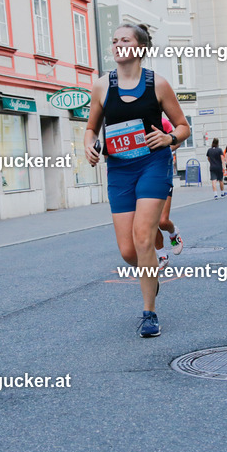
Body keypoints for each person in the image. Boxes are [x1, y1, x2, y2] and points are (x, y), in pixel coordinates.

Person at [84, 22, 189, 337]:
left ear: (140, 48)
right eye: (114, 40)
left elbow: (183, 126)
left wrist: (169, 139)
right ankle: (153, 263)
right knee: (129, 251)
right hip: (119, 169)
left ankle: (149, 313)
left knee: (142, 237)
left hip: (152, 165)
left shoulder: (158, 84)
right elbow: (91, 128)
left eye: (124, 40)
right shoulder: (103, 86)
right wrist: (88, 144)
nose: (117, 45)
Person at [154, 116, 183, 268]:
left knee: (162, 221)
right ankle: (162, 255)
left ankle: (173, 233)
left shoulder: (163, 122)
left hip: (162, 174)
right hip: (142, 177)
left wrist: (164, 150)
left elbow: (177, 140)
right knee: (149, 223)